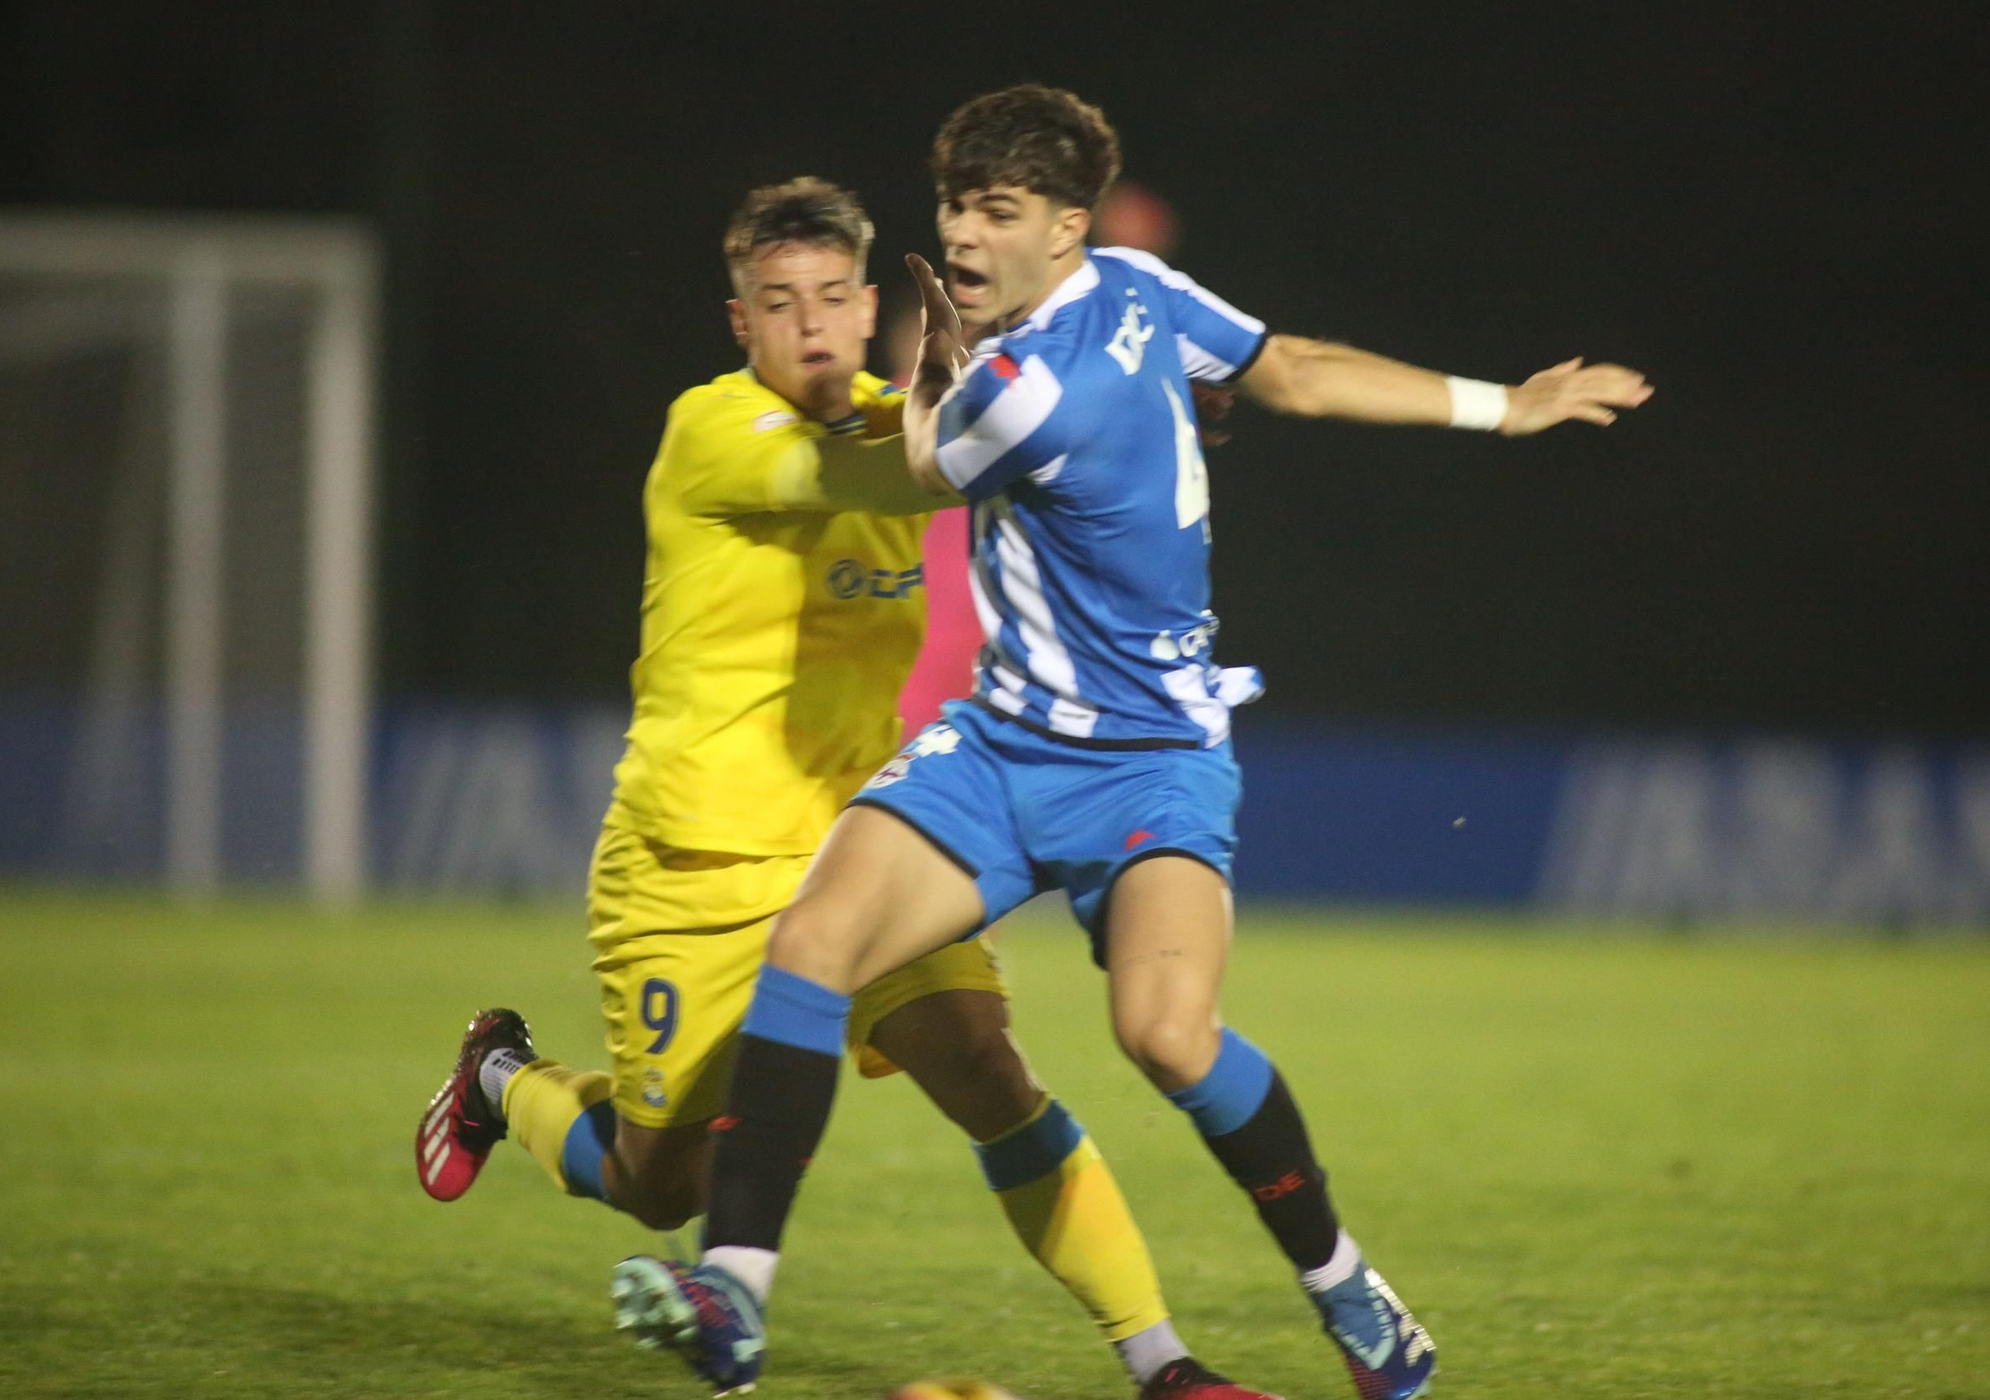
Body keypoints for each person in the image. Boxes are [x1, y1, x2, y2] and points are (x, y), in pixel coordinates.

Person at [620, 88, 1652, 1400]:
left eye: (998, 214)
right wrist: (1496, 405)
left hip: (1151, 758)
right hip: (999, 745)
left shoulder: (1030, 376)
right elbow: (1285, 377)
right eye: (953, 210)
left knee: (1166, 1036)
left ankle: (1343, 1281)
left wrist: (1501, 403)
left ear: (1066, 228)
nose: (966, 239)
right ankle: (735, 1292)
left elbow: (971, 447)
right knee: (812, 943)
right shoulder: (1135, 289)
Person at [414, 176, 1279, 1400]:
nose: (812, 327)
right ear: (740, 323)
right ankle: (500, 1074)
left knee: (988, 1066)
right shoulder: (717, 434)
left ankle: (1164, 1362)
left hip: (864, 846)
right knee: (657, 1179)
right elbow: (896, 472)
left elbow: (1031, 456)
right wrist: (1034, 409)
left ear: (873, 304)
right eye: (780, 304)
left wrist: (1141, 403)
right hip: (693, 866)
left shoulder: (917, 414)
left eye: (833, 298)